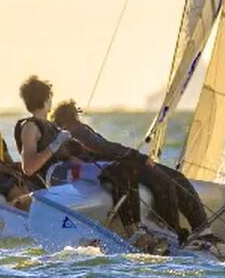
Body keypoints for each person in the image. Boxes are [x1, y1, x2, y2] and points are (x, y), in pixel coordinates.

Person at [49, 98, 216, 248]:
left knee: (175, 178)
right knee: (166, 181)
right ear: (73, 116)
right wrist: (139, 157)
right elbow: (104, 148)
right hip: (121, 166)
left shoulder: (74, 130)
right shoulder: (75, 130)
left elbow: (105, 147)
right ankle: (185, 231)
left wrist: (138, 157)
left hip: (126, 162)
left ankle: (193, 231)